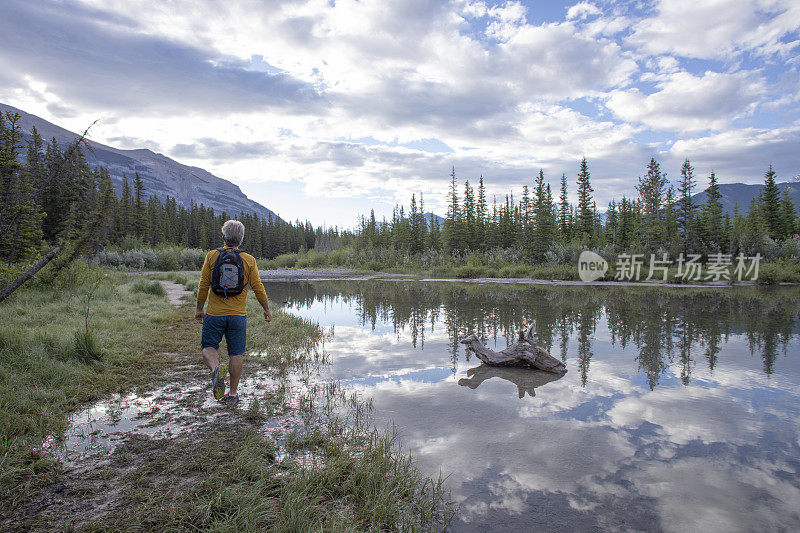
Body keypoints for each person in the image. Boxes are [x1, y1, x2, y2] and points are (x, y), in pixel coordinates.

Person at [195, 219, 272, 406]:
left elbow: (204, 284)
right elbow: (258, 287)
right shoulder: (248, 259)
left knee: (209, 348)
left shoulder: (212, 256)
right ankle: (233, 394)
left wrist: (199, 309)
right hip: (238, 316)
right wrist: (266, 309)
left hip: (214, 314)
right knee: (235, 354)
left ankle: (215, 370)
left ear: (223, 237)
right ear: (241, 239)